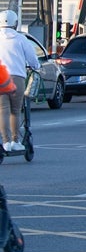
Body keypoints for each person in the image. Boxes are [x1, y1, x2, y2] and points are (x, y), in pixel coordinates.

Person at [0, 10, 40, 152]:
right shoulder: (21, 39)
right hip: (17, 77)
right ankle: (15, 141)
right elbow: (32, 59)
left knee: (2, 110)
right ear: (15, 23)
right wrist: (36, 66)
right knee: (15, 111)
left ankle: (5, 141)